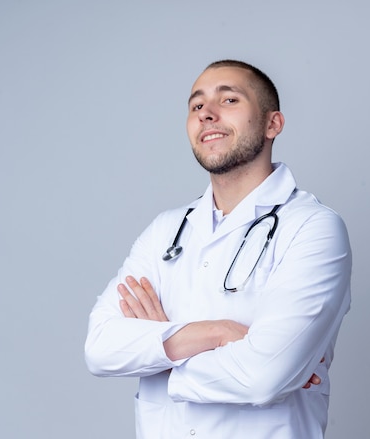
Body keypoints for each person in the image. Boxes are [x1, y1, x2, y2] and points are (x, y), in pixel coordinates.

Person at [85, 59, 352, 439]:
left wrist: (160, 354)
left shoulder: (312, 228)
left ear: (272, 124)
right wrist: (217, 332)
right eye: (196, 106)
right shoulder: (166, 231)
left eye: (228, 100)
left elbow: (263, 375)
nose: (207, 114)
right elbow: (100, 348)